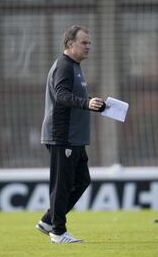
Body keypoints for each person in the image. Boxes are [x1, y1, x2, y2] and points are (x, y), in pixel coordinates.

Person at [36, 25, 105, 244]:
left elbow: (71, 97)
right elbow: (62, 96)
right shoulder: (64, 66)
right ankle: (57, 232)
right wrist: (86, 103)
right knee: (62, 185)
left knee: (82, 180)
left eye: (89, 43)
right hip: (62, 135)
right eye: (84, 42)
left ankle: (49, 220)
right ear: (69, 44)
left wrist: (95, 104)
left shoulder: (74, 67)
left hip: (74, 137)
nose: (88, 46)